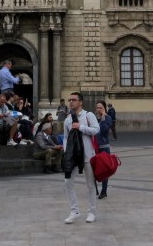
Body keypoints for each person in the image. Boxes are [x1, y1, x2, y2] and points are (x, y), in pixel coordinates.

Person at [62, 91, 99, 224]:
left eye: (74, 99)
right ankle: (74, 211)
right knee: (68, 183)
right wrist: (66, 150)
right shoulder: (67, 119)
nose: (71, 102)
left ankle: (92, 212)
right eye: (70, 99)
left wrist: (81, 127)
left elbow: (96, 129)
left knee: (90, 184)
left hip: (87, 154)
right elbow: (65, 137)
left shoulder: (88, 115)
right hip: (72, 156)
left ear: (80, 102)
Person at [94, 100, 112, 199]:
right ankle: (94, 189)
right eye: (97, 108)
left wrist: (103, 118)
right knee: (93, 169)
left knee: (104, 170)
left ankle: (104, 191)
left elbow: (104, 131)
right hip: (94, 147)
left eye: (101, 108)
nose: (99, 110)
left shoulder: (108, 118)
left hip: (104, 147)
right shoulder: (93, 118)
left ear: (104, 108)